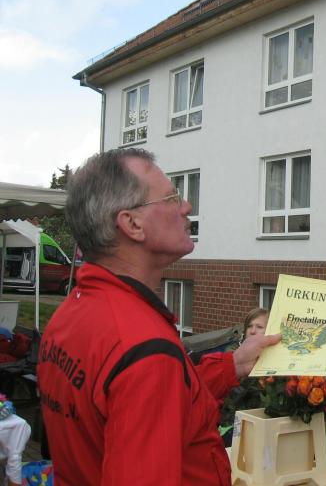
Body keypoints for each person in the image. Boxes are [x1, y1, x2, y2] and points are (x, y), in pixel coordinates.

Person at [37, 149, 280, 486]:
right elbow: (148, 377)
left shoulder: (71, 314)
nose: (187, 207)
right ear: (132, 224)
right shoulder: (143, 346)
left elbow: (154, 396)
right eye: (172, 198)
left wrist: (233, 365)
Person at [220, 307, 270, 446]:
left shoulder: (273, 358)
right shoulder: (233, 353)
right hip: (232, 423)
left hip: (263, 424)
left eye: (259, 327)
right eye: (249, 326)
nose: (253, 331)